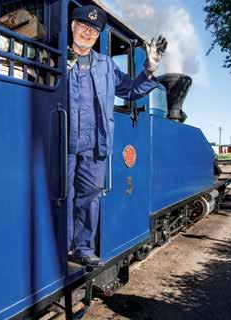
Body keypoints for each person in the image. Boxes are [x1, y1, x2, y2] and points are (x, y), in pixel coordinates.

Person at [67, 4, 167, 267]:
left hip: (96, 144)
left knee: (89, 197)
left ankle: (83, 248)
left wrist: (150, 68)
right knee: (62, 196)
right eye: (84, 27)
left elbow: (131, 90)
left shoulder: (106, 65)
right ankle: (59, 245)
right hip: (62, 140)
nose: (88, 33)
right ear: (73, 27)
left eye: (93, 30)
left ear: (98, 35)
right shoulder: (58, 57)